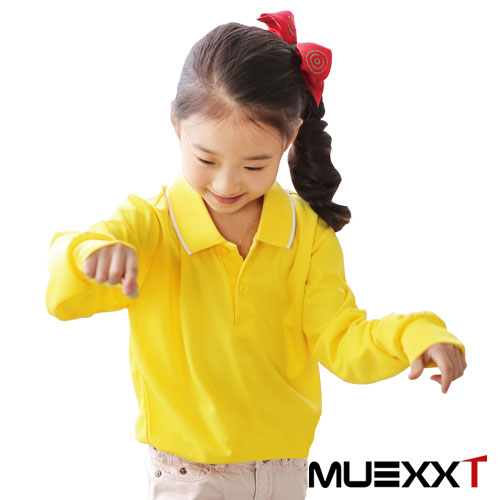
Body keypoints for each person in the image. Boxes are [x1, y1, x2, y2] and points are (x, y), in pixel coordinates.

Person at [45, 10, 467, 500]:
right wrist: (90, 256)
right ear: (176, 126)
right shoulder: (150, 225)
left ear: (289, 139)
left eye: (254, 165)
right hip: (190, 478)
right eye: (206, 159)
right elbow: (63, 288)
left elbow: (340, 337)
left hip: (283, 474)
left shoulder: (307, 233)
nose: (227, 184)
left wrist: (413, 335)